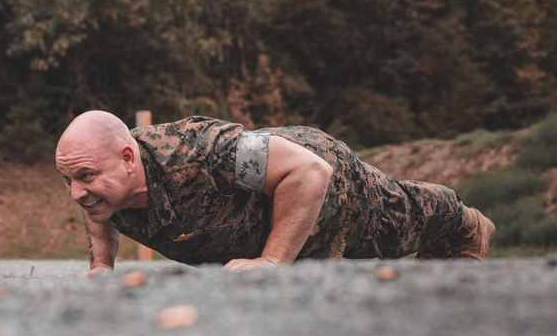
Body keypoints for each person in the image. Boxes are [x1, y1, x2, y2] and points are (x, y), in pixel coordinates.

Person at [55, 110, 495, 273]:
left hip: (317, 173)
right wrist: (101, 266)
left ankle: (466, 221)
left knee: (393, 223)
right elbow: (99, 213)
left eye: (86, 177)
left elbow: (307, 172)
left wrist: (271, 261)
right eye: (69, 181)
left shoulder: (198, 151)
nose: (77, 193)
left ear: (128, 159)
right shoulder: (105, 188)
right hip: (261, 217)